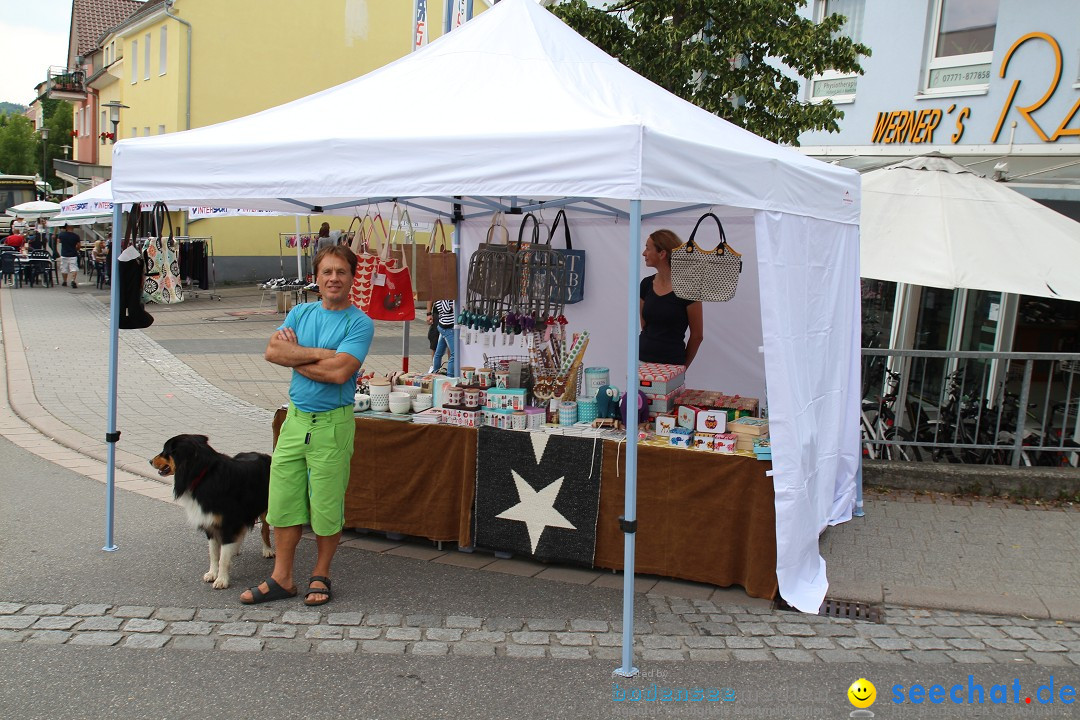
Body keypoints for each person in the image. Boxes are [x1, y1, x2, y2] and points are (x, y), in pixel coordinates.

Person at [241, 245, 374, 607]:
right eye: (327, 272)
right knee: (282, 503)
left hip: (333, 425)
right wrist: (325, 353)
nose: (334, 279)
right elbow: (272, 352)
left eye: (341, 272)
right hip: (294, 422)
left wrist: (297, 359)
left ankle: (321, 573)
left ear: (351, 278)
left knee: (327, 507)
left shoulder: (359, 322)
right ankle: (282, 577)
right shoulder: (299, 312)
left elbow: (341, 372)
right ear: (317, 277)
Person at [639, 229, 703, 367]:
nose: (644, 253)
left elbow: (697, 336)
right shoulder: (646, 284)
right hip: (642, 361)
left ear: (662, 254)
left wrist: (682, 367)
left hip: (672, 364)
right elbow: (645, 326)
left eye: (648, 248)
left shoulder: (690, 287)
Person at [428, 299, 456, 377]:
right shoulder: (444, 294)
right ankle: (450, 376)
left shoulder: (442, 293)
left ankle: (435, 372)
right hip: (447, 327)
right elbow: (445, 309)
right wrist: (453, 305)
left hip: (444, 325)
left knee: (439, 352)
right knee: (454, 353)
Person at [57, 224, 81, 288]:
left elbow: (59, 241)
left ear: (66, 227)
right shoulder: (76, 236)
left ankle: (65, 281)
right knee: (74, 268)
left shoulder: (61, 235)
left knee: (64, 268)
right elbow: (78, 246)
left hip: (64, 253)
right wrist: (76, 249)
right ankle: (73, 280)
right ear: (72, 227)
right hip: (73, 254)